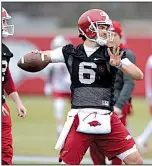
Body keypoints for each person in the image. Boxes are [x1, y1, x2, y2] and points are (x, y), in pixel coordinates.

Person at [22, 9, 143, 164]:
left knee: (136, 161)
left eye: (107, 28)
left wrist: (119, 63)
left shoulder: (111, 53)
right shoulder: (70, 51)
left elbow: (138, 75)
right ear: (89, 29)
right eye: (102, 27)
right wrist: (37, 56)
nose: (106, 31)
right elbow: (46, 55)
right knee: (68, 163)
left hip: (106, 114)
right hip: (80, 115)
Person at [89, 20, 135, 165]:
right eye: (108, 34)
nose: (111, 37)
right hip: (98, 105)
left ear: (120, 37)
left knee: (117, 145)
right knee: (94, 143)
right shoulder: (99, 53)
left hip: (116, 104)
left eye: (114, 34)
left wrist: (120, 105)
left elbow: (129, 82)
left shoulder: (126, 54)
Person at [2, 7, 27, 165]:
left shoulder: (4, 50)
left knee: (6, 149)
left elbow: (6, 78)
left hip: (3, 106)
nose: (5, 24)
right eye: (3, 21)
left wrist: (18, 102)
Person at [44, 35, 71, 136]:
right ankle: (59, 127)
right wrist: (47, 85)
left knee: (76, 109)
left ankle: (74, 126)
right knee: (58, 106)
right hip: (59, 87)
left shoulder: (70, 57)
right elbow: (49, 74)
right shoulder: (51, 59)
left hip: (70, 87)